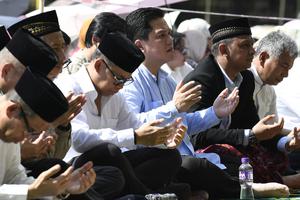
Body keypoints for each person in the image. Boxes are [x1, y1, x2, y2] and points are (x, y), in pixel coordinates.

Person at [123, 8, 290, 198]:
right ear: (140, 46)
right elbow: (132, 126)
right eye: (161, 35)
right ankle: (247, 190)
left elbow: (185, 123)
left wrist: (214, 112)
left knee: (232, 162)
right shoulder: (131, 82)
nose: (170, 40)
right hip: (156, 161)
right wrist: (174, 108)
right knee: (194, 165)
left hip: (182, 156)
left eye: (169, 33)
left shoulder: (166, 79)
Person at [55, 31, 189, 199]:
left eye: (126, 81)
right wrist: (134, 136)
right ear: (98, 66)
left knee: (170, 156)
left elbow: (135, 128)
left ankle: (138, 192)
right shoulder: (69, 89)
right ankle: (145, 194)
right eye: (118, 79)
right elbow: (78, 140)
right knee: (109, 153)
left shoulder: (115, 96)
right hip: (75, 167)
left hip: (113, 166)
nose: (121, 87)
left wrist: (163, 138)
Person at [182, 16, 300, 191]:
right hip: (202, 152)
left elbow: (251, 125)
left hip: (236, 146)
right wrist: (249, 135)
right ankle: (272, 185)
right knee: (230, 156)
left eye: (251, 45)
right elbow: (196, 136)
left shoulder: (245, 78)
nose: (253, 51)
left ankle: (277, 181)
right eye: (244, 45)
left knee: (273, 154)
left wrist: (284, 142)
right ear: (224, 49)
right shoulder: (201, 80)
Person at [0, 65, 96, 199]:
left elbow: (14, 177)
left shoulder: (10, 131)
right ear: (12, 110)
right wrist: (31, 192)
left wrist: (61, 187)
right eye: (31, 131)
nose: (25, 139)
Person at [62, 12, 127, 75]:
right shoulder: (73, 72)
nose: (120, 49)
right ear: (96, 40)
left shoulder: (104, 65)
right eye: (116, 44)